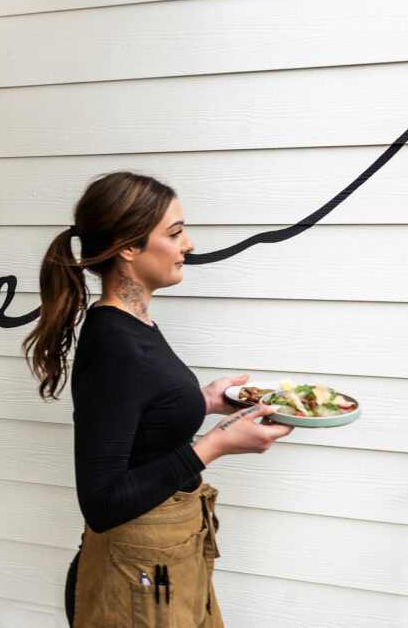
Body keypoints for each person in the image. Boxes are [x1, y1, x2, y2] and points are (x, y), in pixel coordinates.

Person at [23, 172, 292, 627]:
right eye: (175, 232)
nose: (188, 243)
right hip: (138, 583)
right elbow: (102, 502)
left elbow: (139, 416)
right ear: (128, 246)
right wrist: (215, 444)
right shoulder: (114, 343)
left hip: (162, 566)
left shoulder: (134, 323)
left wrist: (203, 401)